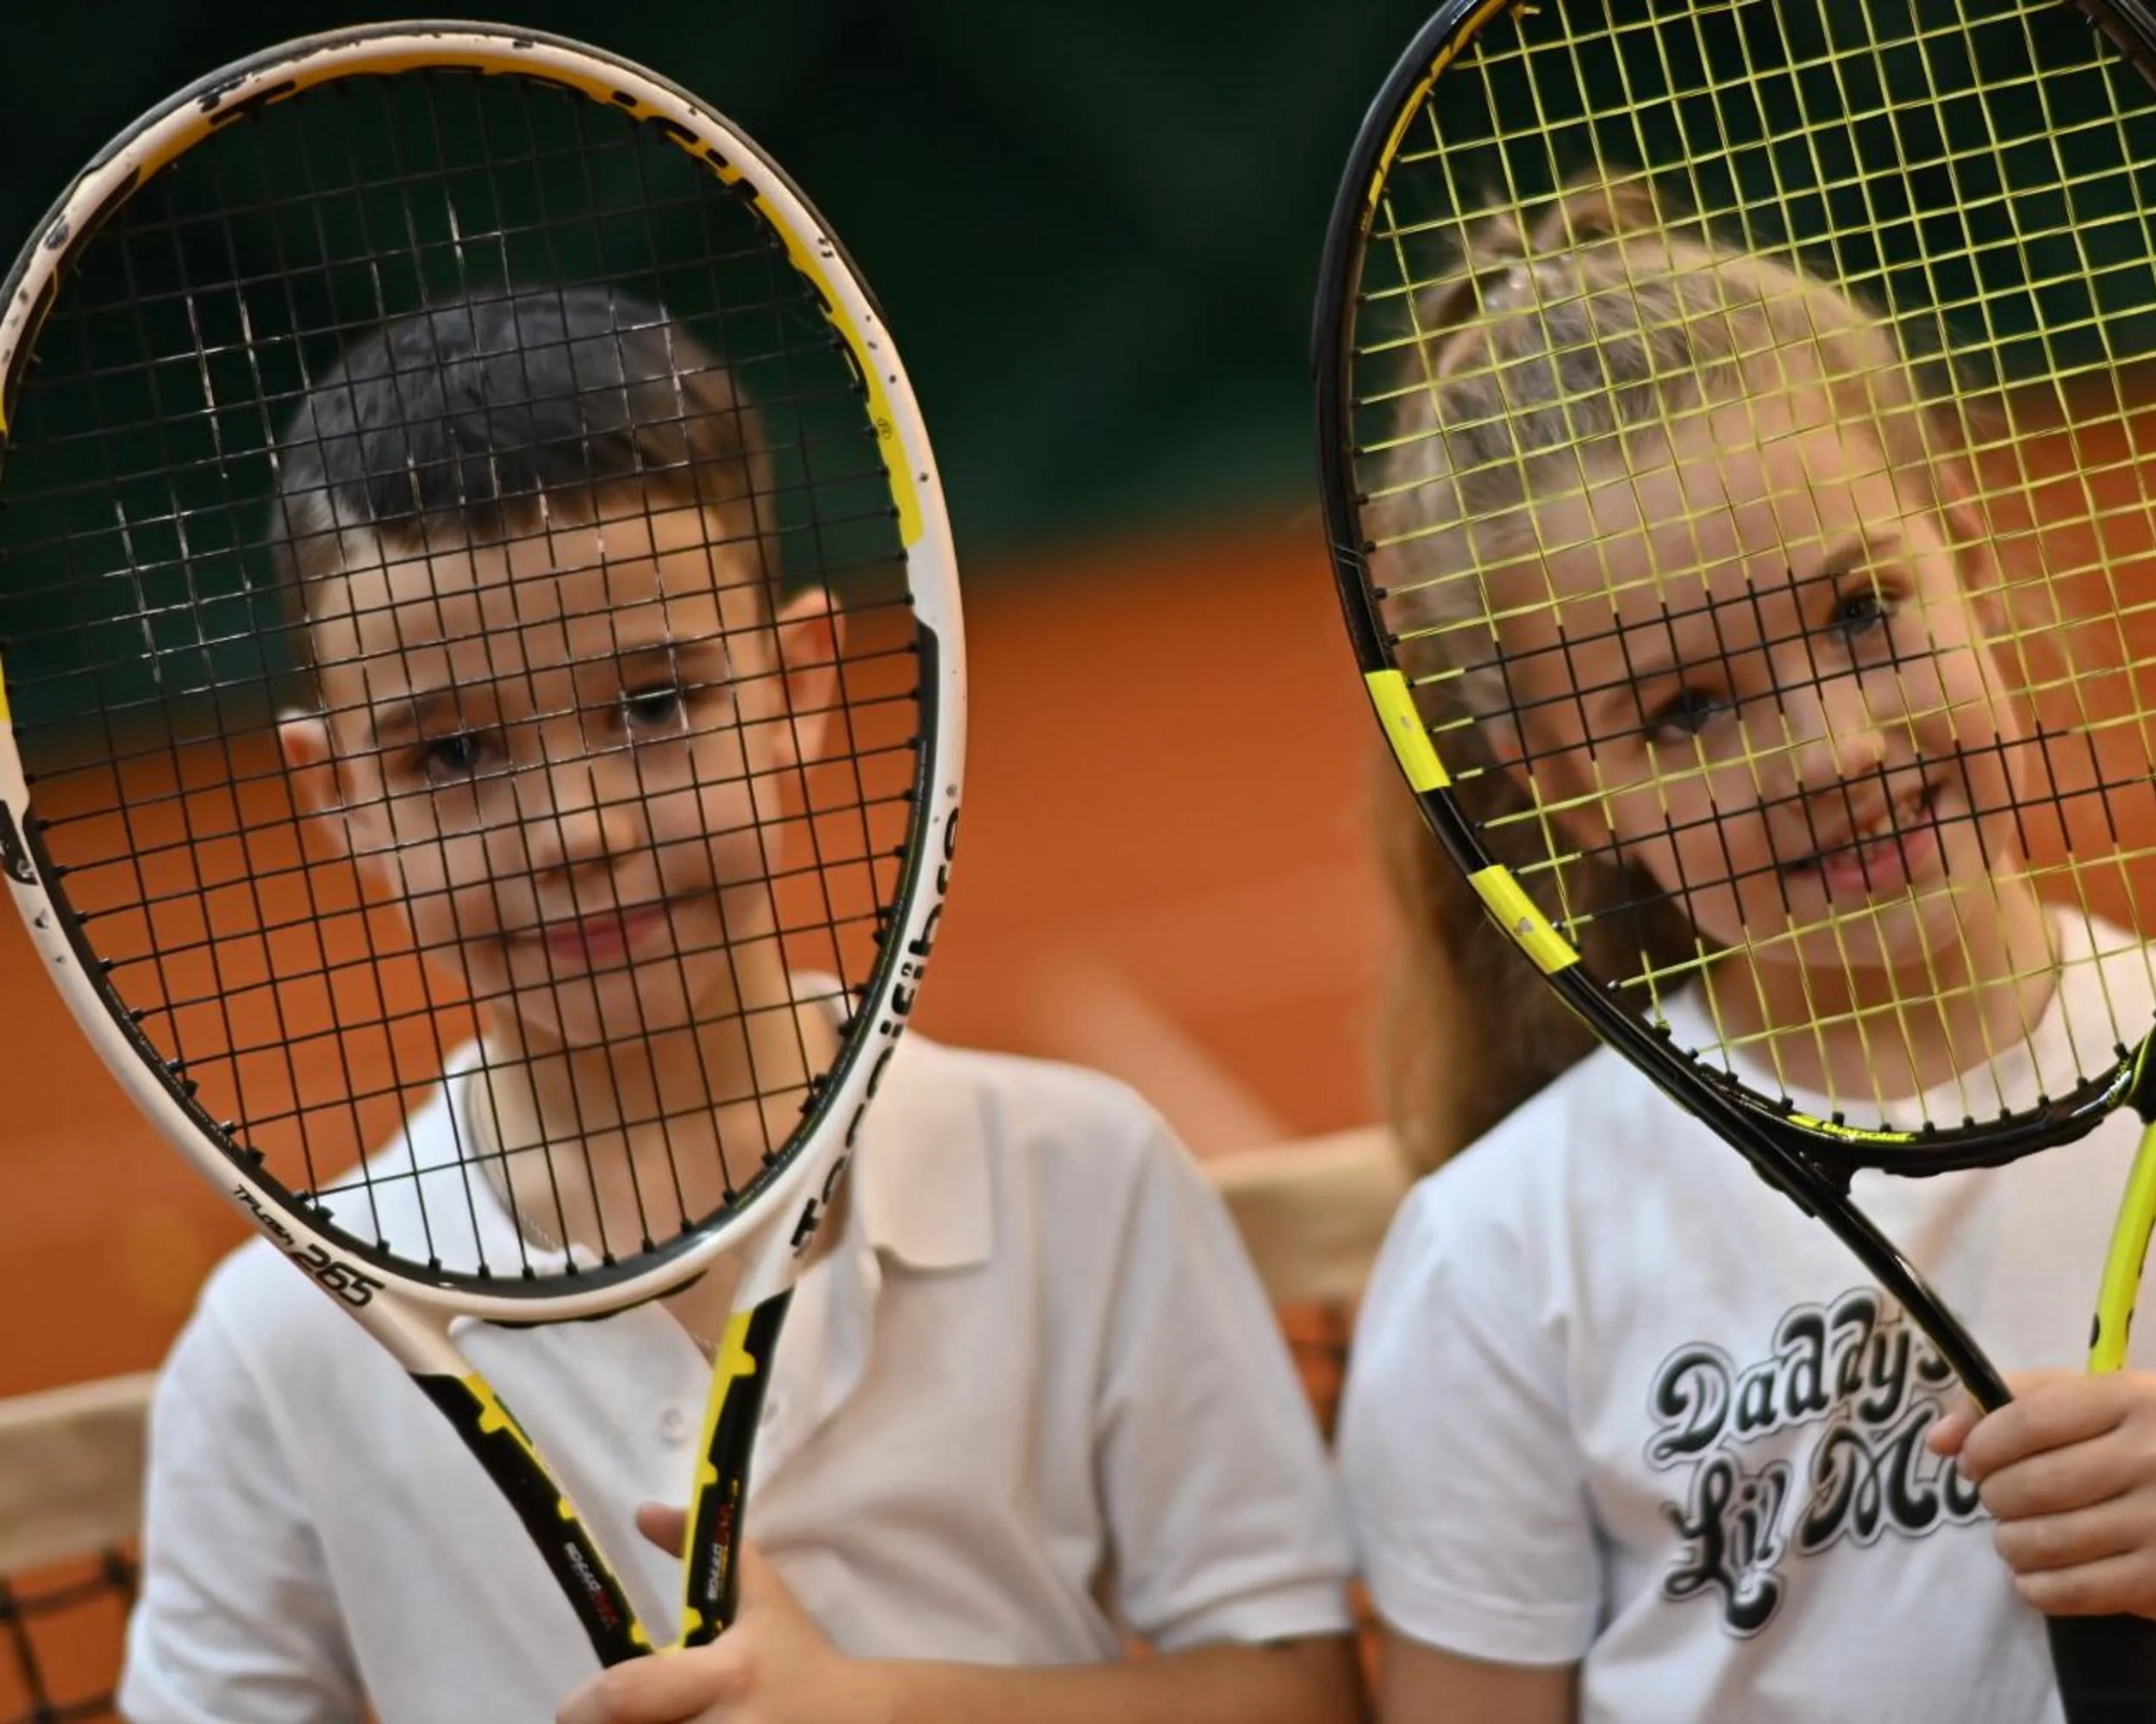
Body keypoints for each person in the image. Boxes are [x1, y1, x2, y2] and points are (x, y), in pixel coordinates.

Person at [1333, 178, 2156, 1723]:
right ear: (1558, 791)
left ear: (1970, 569)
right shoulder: (1499, 1254)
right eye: (1687, 711)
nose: (1835, 749)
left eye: (1865, 612)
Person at [119, 282, 1365, 1724]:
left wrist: (881, 1710)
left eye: (653, 707)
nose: (572, 829)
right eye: (451, 753)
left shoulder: (1078, 1174)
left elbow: (1296, 1693)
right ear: (335, 797)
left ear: (794, 691)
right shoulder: (282, 1348)